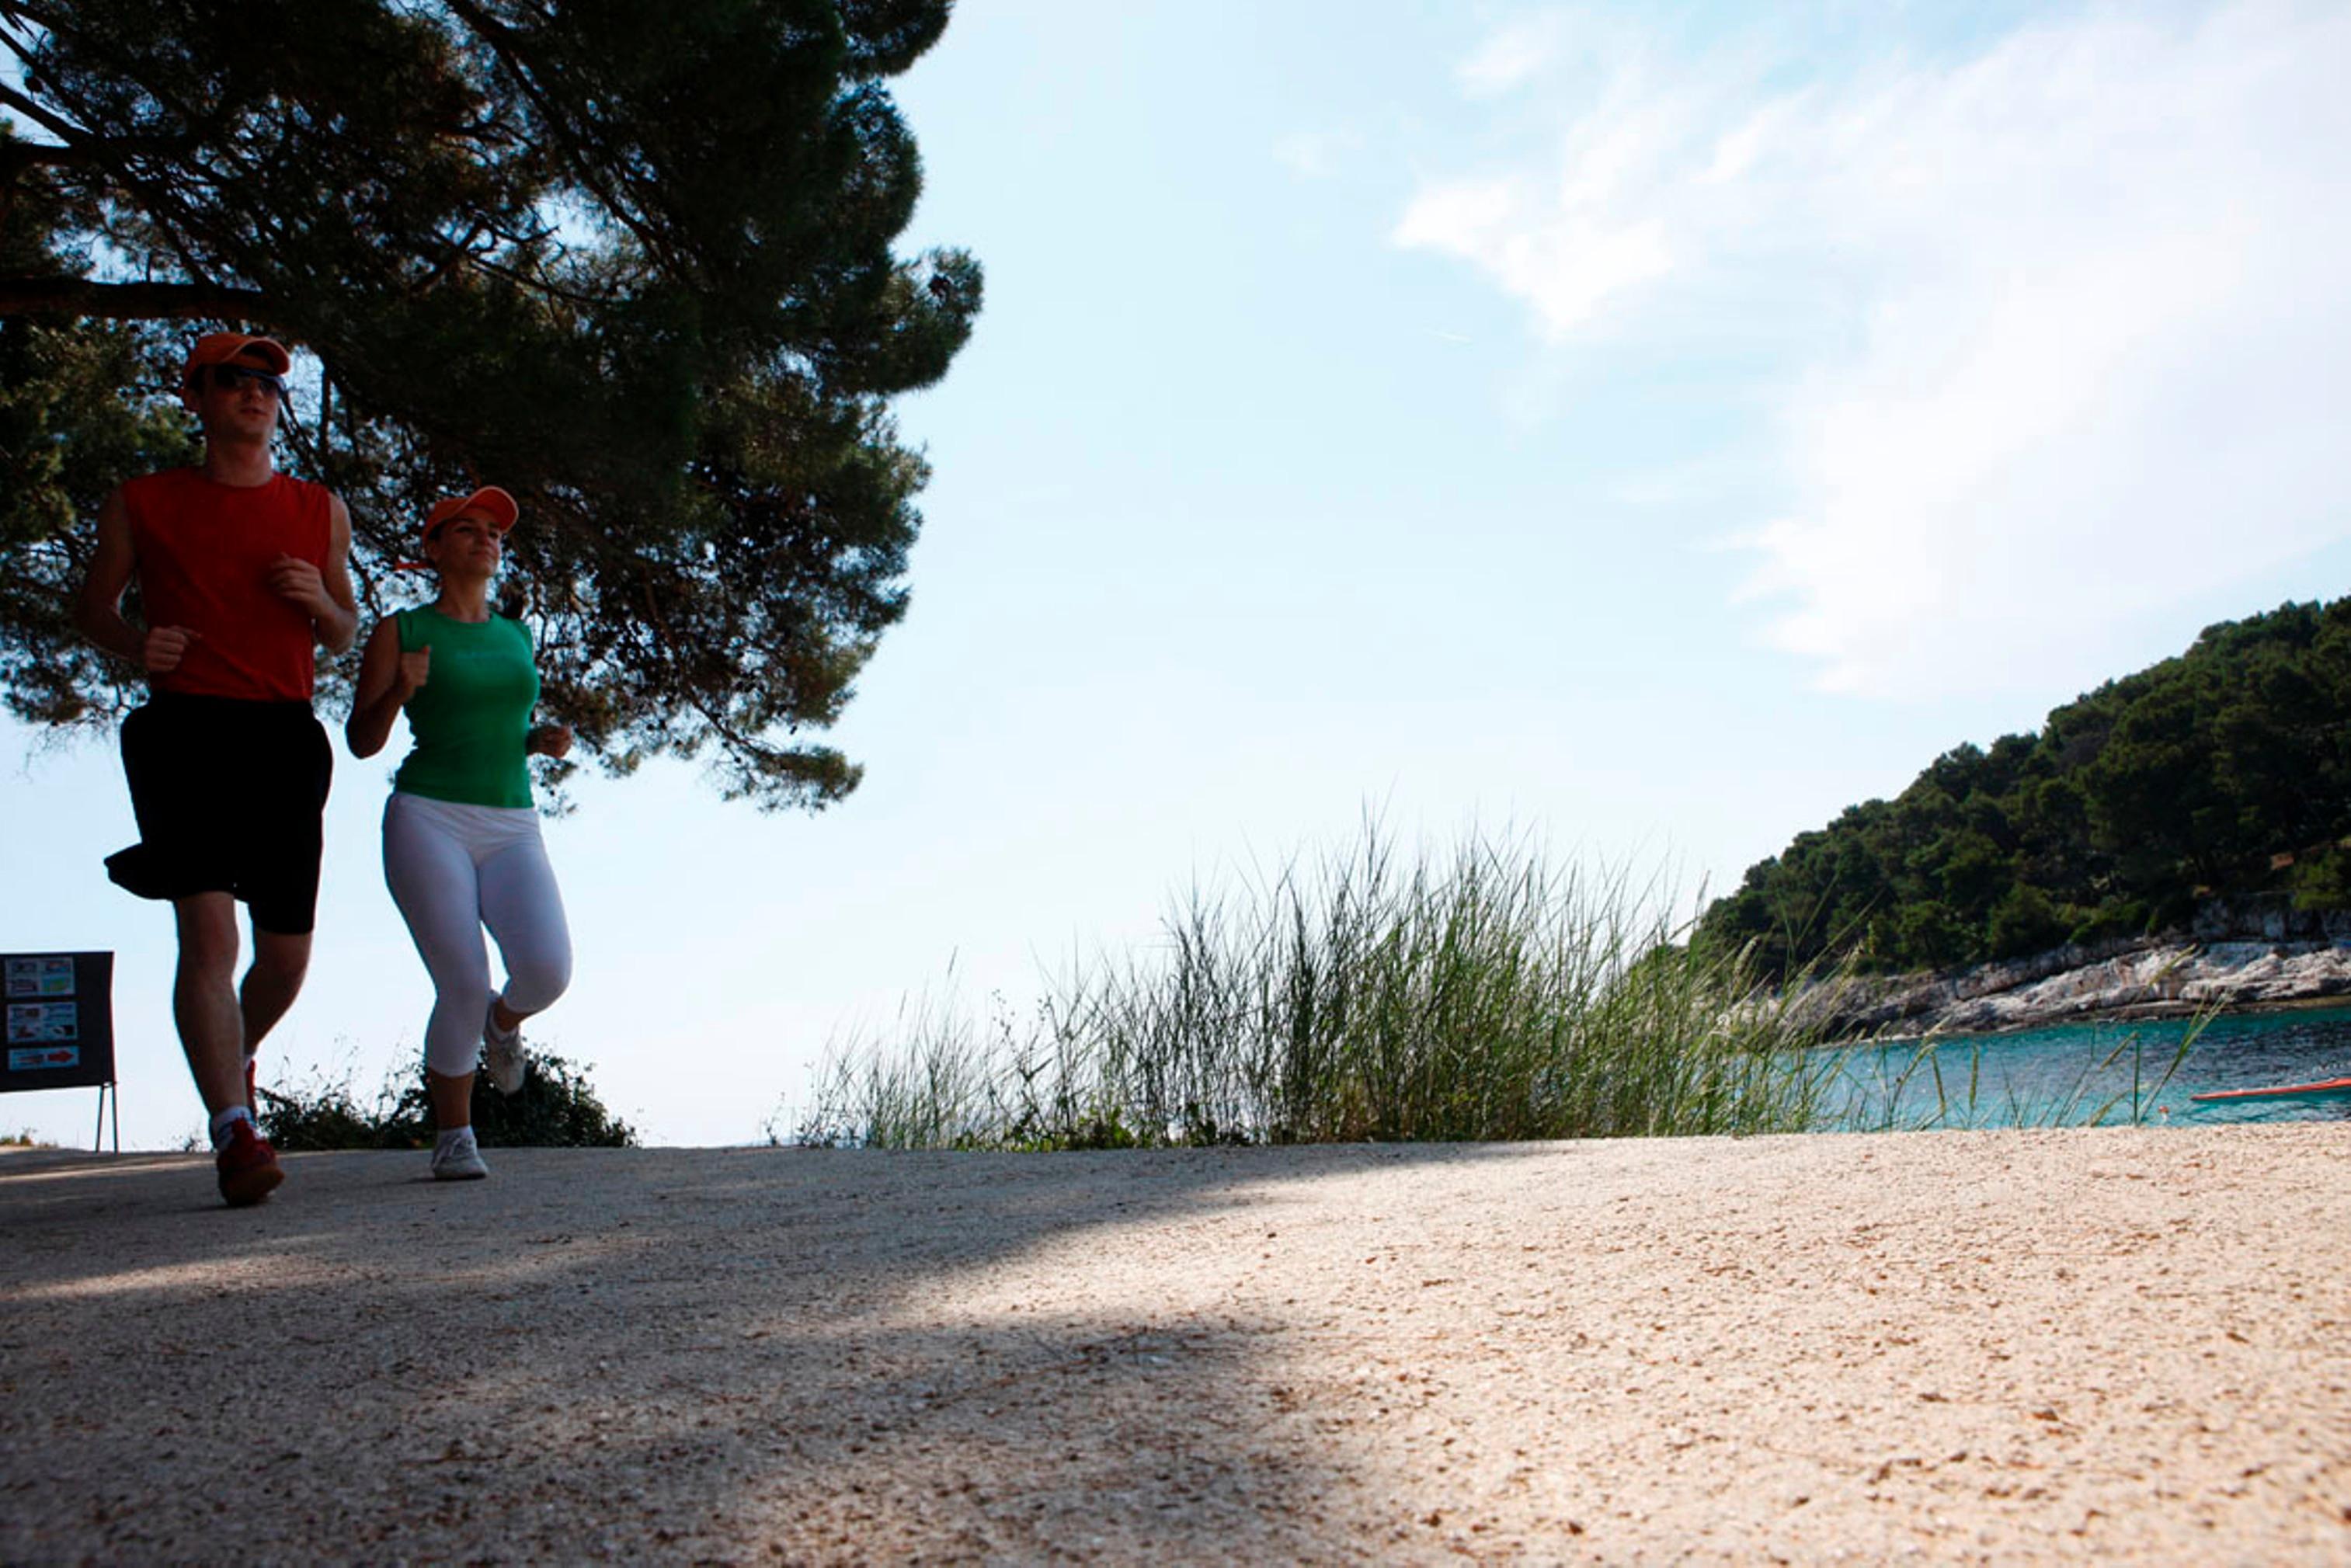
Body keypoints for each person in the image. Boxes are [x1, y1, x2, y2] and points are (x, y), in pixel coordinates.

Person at [75, 332, 358, 1206]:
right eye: (232, 380)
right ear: (194, 397)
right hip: (183, 731)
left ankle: (230, 1052)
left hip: (284, 735)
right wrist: (133, 641)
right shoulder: (143, 501)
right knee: (208, 935)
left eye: (268, 381)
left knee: (283, 958)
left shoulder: (322, 510)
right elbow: (92, 605)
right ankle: (235, 1130)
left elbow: (346, 629)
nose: (255, 392)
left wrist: (320, 602)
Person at [346, 486, 573, 1181]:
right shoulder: (402, 630)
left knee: (547, 970)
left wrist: (538, 739)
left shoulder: (515, 635)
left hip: (511, 819)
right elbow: (361, 739)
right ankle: (453, 1135)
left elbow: (496, 728)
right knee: (463, 983)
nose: (486, 539)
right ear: (434, 549)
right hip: (427, 816)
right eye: (467, 530)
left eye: (494, 532)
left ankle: (503, 1027)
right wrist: (397, 690)